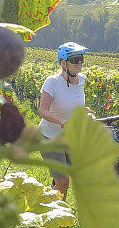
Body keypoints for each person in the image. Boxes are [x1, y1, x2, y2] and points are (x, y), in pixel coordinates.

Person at [38, 42, 89, 200]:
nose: (79, 63)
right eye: (74, 59)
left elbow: (74, 106)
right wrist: (62, 120)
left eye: (80, 58)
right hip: (50, 137)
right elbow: (42, 111)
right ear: (63, 63)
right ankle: (58, 220)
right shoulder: (52, 82)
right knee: (63, 181)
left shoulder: (81, 80)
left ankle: (49, 203)